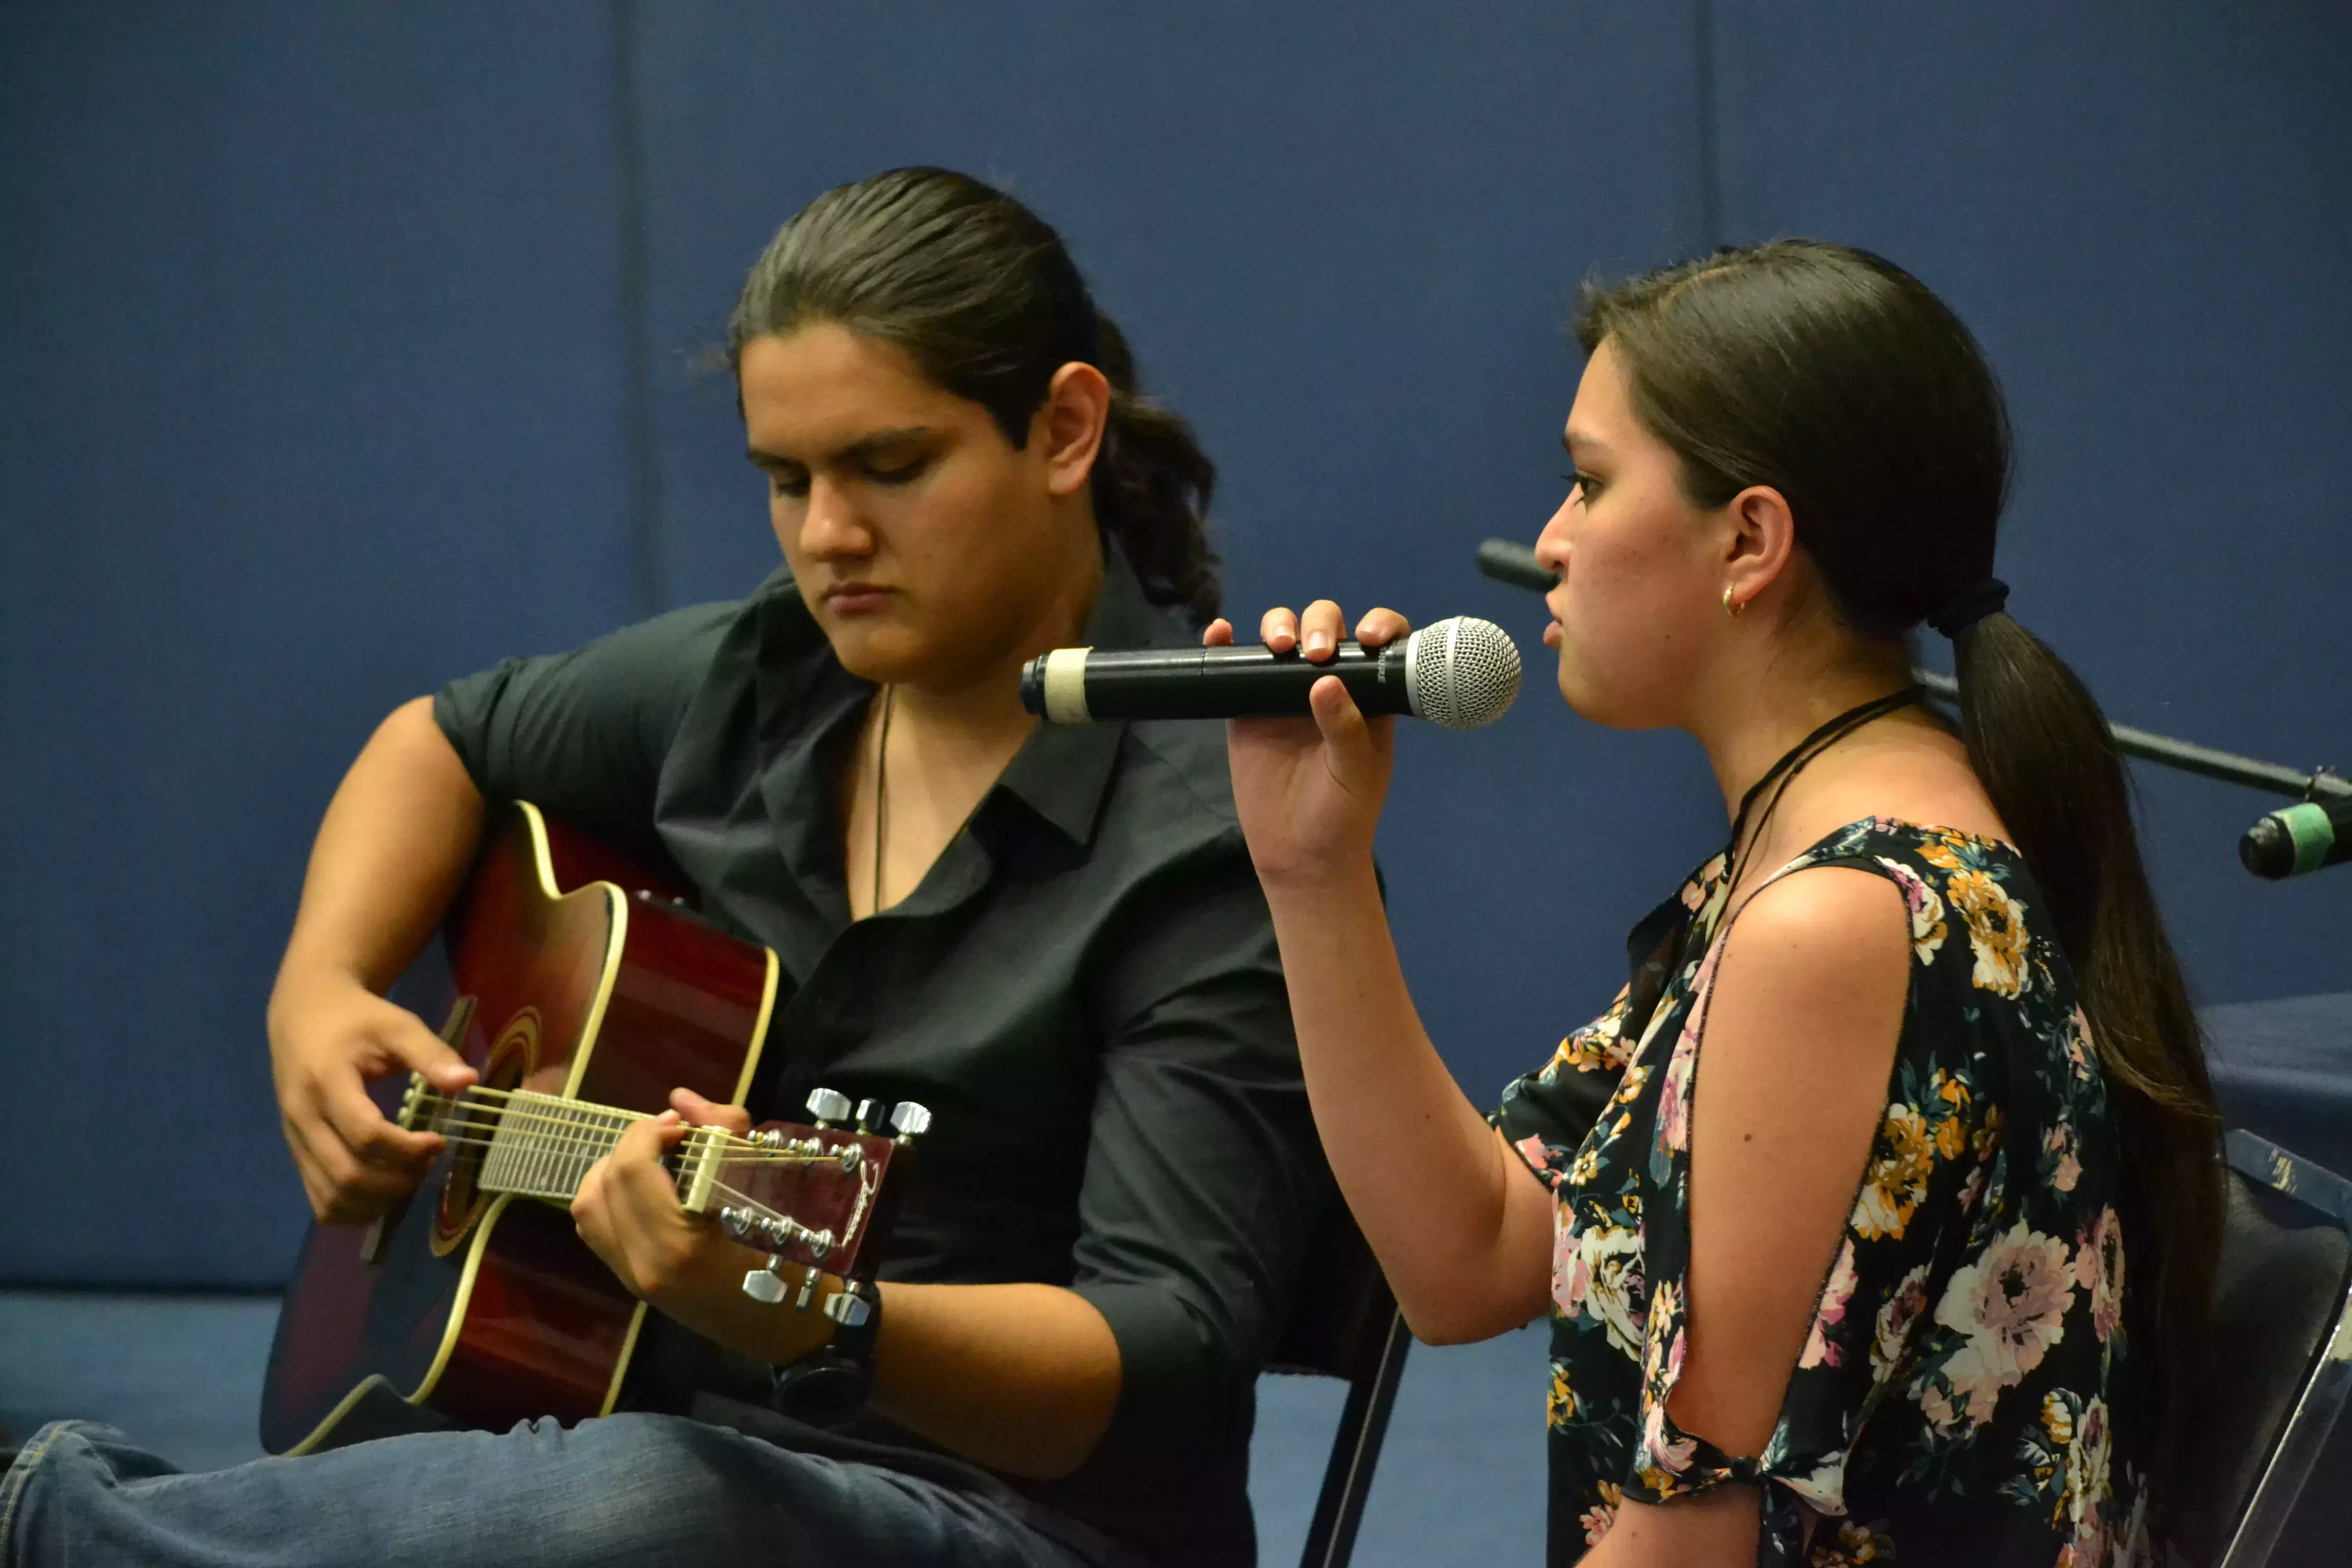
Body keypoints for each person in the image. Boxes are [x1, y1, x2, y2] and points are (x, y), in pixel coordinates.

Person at [1, 167, 1326, 1568]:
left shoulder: (1207, 830)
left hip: (1022, 1525)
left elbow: (1157, 1359)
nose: (829, 536)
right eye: (786, 480)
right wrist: (319, 989)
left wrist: (825, 1314)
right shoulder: (759, 682)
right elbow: (443, 739)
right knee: (625, 1489)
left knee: (651, 1502)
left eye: (890, 465)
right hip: (656, 1433)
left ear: (1062, 431)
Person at [1212, 241, 2221, 1567]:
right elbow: (1468, 1263)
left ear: (1750, 539)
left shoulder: (1843, 921)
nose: (1552, 542)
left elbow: (1700, 1533)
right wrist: (1313, 872)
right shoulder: (1791, 866)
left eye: (1588, 481)